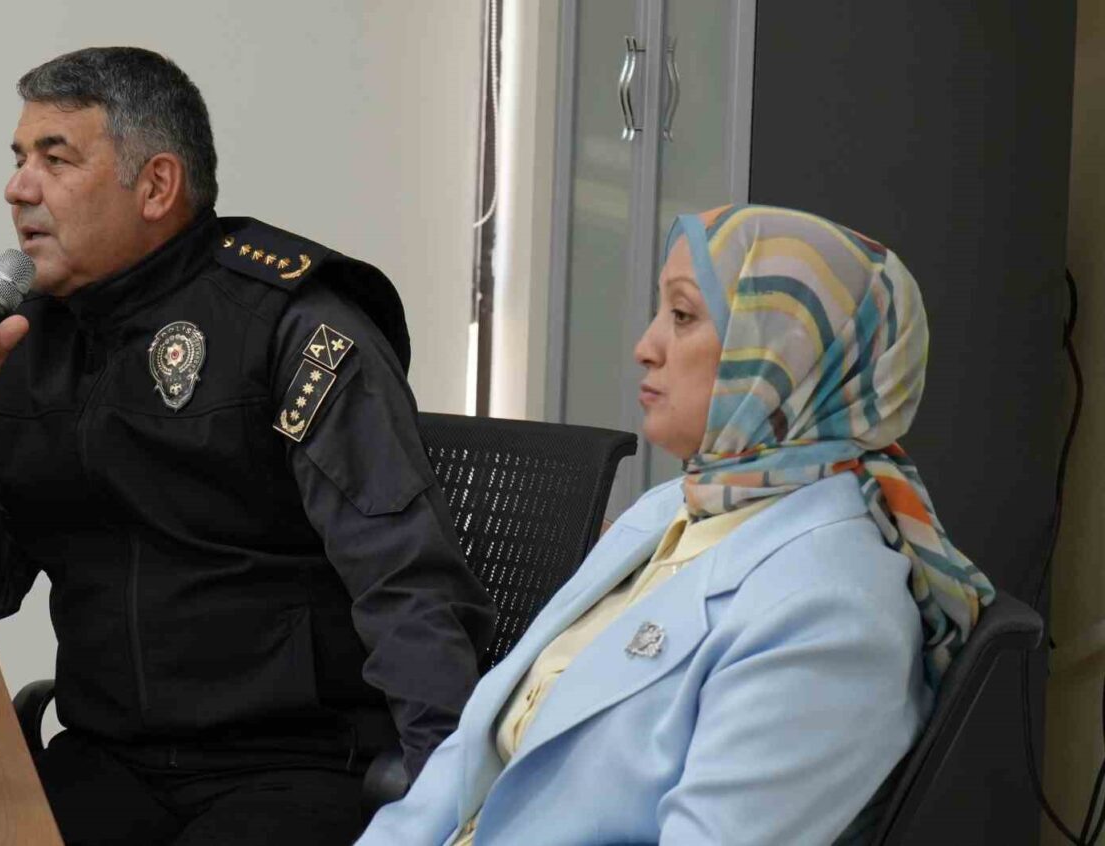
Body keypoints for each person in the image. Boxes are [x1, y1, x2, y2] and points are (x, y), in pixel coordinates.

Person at [0, 46, 495, 846]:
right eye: (18, 159)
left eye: (55, 158)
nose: (19, 187)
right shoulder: (24, 342)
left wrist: (449, 806)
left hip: (296, 767)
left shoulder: (294, 326)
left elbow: (406, 580)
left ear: (156, 186)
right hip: (112, 762)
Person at [357, 204, 996, 845]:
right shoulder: (673, 508)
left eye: (683, 315)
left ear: (786, 353)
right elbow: (472, 754)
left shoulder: (833, 614)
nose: (646, 347)